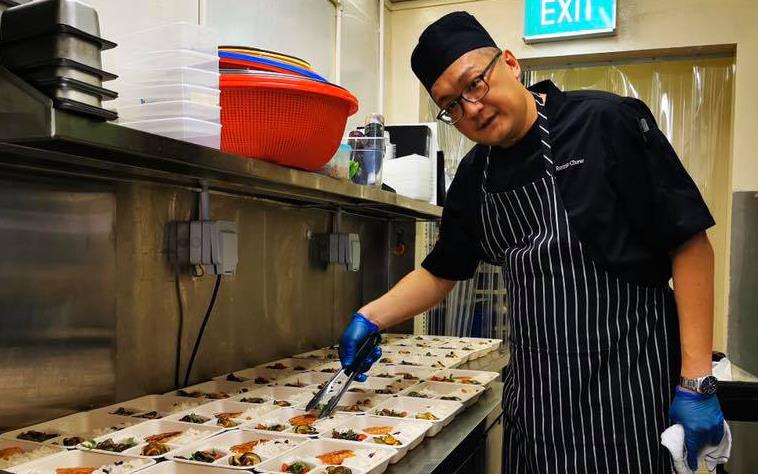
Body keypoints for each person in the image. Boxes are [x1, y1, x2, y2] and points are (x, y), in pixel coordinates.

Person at [338, 11, 725, 474]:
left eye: (475, 84)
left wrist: (696, 379)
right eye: (452, 106)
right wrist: (369, 317)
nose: (472, 109)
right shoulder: (475, 176)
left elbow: (688, 244)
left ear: (509, 63)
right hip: (539, 412)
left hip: (628, 401)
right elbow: (442, 271)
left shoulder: (604, 124)